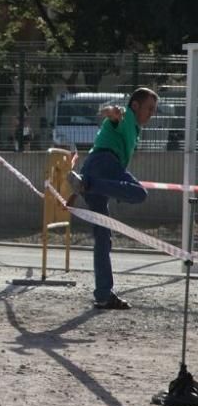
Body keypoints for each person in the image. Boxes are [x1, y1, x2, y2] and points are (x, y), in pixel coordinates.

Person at [68, 88, 159, 310]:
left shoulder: (133, 128)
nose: (152, 114)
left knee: (102, 237)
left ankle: (103, 294)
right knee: (139, 193)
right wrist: (111, 111)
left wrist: (75, 192)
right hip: (105, 164)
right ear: (135, 105)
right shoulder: (125, 116)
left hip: (92, 168)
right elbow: (109, 112)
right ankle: (87, 184)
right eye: (149, 108)